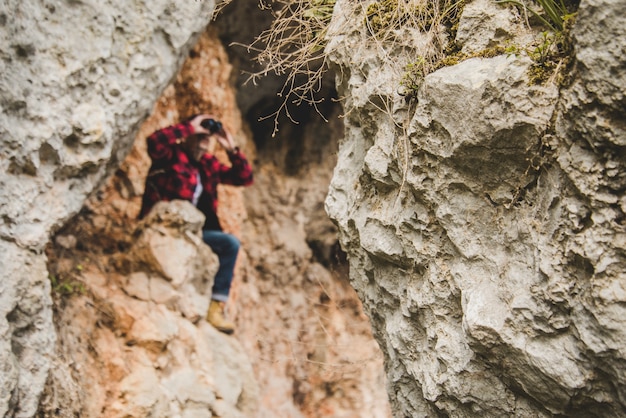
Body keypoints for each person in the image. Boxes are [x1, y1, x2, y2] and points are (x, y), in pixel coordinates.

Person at [139, 114, 253, 334]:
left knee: (230, 244)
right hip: (166, 227)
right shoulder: (170, 155)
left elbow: (244, 178)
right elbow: (154, 142)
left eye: (206, 140)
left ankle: (215, 307)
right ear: (189, 137)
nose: (203, 145)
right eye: (199, 138)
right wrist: (188, 127)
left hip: (197, 231)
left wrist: (231, 148)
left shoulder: (208, 165)